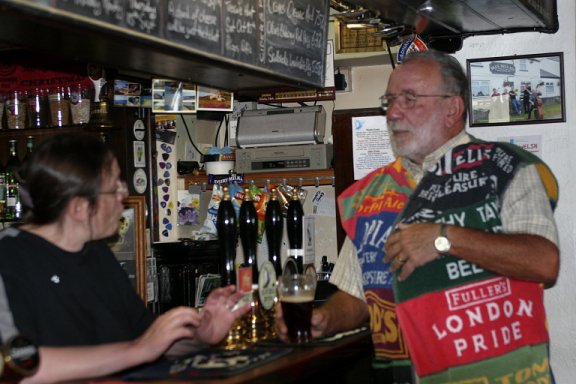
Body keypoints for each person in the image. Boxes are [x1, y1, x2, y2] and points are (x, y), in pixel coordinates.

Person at [276, 50, 559, 384]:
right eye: (390, 100)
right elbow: (358, 294)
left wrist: (444, 239)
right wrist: (324, 319)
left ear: (452, 108)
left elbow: (543, 262)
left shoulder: (506, 168)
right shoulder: (368, 194)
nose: (393, 113)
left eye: (410, 99)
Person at [0, 133, 250, 383]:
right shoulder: (10, 260)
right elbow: (21, 369)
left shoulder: (96, 253)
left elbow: (146, 339)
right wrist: (139, 350)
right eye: (115, 188)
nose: (125, 194)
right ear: (78, 207)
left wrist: (201, 336)